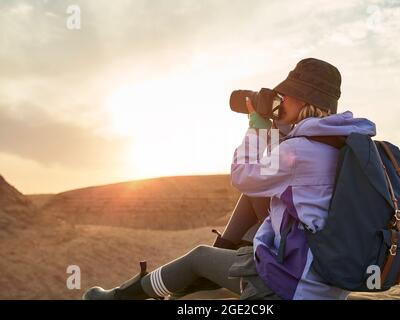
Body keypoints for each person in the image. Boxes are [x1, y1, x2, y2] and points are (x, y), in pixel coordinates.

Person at [82, 58, 376, 300]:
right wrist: (277, 128)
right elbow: (266, 181)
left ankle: (119, 297)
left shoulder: (301, 150)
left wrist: (257, 127)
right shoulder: (340, 144)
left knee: (198, 256)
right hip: (329, 281)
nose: (280, 101)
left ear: (301, 100)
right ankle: (220, 259)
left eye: (285, 96)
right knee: (255, 196)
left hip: (294, 287)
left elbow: (242, 175)